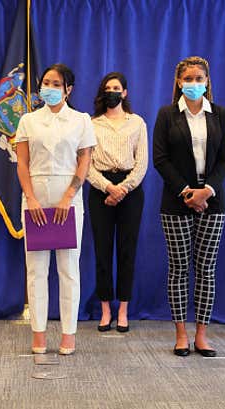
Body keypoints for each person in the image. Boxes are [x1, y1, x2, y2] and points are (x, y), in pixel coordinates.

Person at [153, 56, 225, 357]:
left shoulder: (220, 115)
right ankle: (181, 334)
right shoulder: (167, 114)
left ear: (207, 81)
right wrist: (188, 192)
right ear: (179, 82)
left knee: (206, 270)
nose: (194, 84)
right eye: (189, 79)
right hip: (176, 201)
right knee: (179, 268)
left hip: (213, 200)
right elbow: (160, 159)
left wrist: (206, 191)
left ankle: (202, 334)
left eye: (200, 79)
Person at [15, 63, 96, 355]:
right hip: (35, 195)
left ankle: (68, 335)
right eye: (45, 83)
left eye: (55, 84)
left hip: (68, 197)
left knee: (68, 268)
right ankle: (38, 334)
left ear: (68, 90)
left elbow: (84, 160)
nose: (48, 88)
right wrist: (31, 198)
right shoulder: (28, 120)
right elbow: (22, 163)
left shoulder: (81, 120)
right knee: (36, 269)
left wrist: (69, 196)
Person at [87, 72, 148, 333]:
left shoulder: (137, 123)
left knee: (126, 250)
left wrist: (123, 188)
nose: (112, 91)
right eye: (108, 88)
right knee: (102, 251)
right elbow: (86, 165)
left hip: (130, 190)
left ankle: (123, 309)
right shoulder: (91, 123)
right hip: (101, 187)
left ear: (124, 93)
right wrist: (108, 187)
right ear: (103, 93)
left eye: (117, 88)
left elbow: (142, 162)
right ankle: (105, 310)